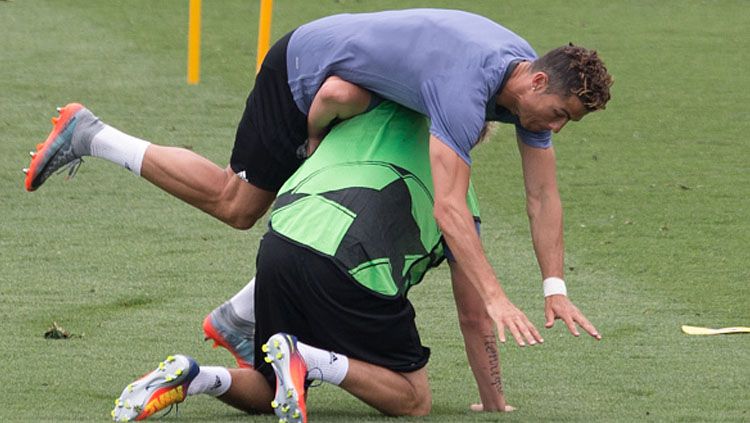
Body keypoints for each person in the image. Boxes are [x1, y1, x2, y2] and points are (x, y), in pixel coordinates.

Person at [24, 9, 612, 346]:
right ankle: (90, 134)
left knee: (373, 191)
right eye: (559, 115)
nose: (555, 129)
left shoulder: (527, 86)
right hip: (306, 70)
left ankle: (239, 315)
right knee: (237, 204)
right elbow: (451, 211)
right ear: (537, 83)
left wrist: (553, 288)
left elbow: (542, 194)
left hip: (363, 90)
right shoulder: (466, 91)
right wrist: (496, 297)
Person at [112, 102, 515, 423]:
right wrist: (494, 400)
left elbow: (333, 93)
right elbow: (474, 318)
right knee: (413, 399)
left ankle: (195, 376)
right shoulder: (463, 206)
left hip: (280, 242)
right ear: (471, 142)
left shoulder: (371, 115)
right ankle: (311, 359)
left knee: (270, 388)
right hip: (351, 269)